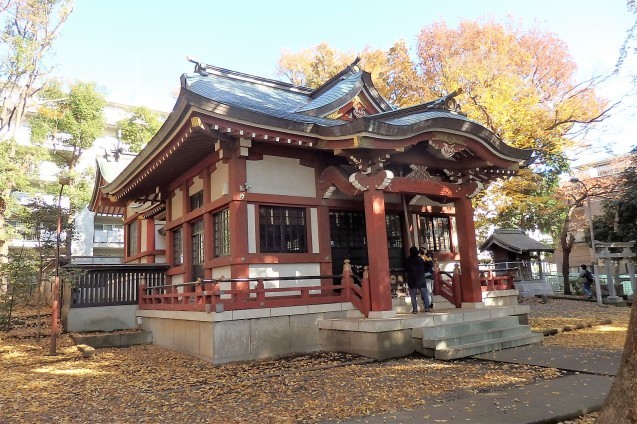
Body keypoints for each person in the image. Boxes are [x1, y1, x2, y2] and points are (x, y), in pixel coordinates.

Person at [405, 246, 430, 314]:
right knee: (424, 294)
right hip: (421, 279)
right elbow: (425, 267)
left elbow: (406, 271)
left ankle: (415, 309)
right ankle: (427, 308)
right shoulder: (420, 260)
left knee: (413, 296)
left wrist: (406, 280)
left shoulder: (408, 260)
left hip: (412, 279)